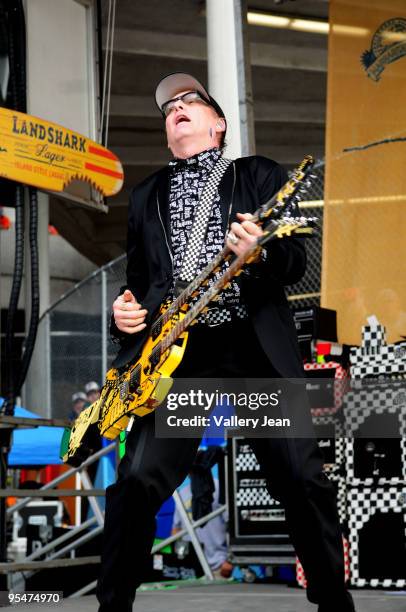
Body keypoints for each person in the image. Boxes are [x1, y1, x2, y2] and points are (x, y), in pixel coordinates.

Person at [96, 72, 356, 612]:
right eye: (170, 109)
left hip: (251, 348)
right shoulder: (146, 196)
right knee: (138, 478)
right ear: (168, 135)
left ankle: (335, 603)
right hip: (181, 359)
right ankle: (112, 606)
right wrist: (123, 314)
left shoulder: (257, 175)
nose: (178, 109)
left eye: (192, 103)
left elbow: (295, 262)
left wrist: (259, 251)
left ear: (218, 125)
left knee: (300, 479)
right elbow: (139, 284)